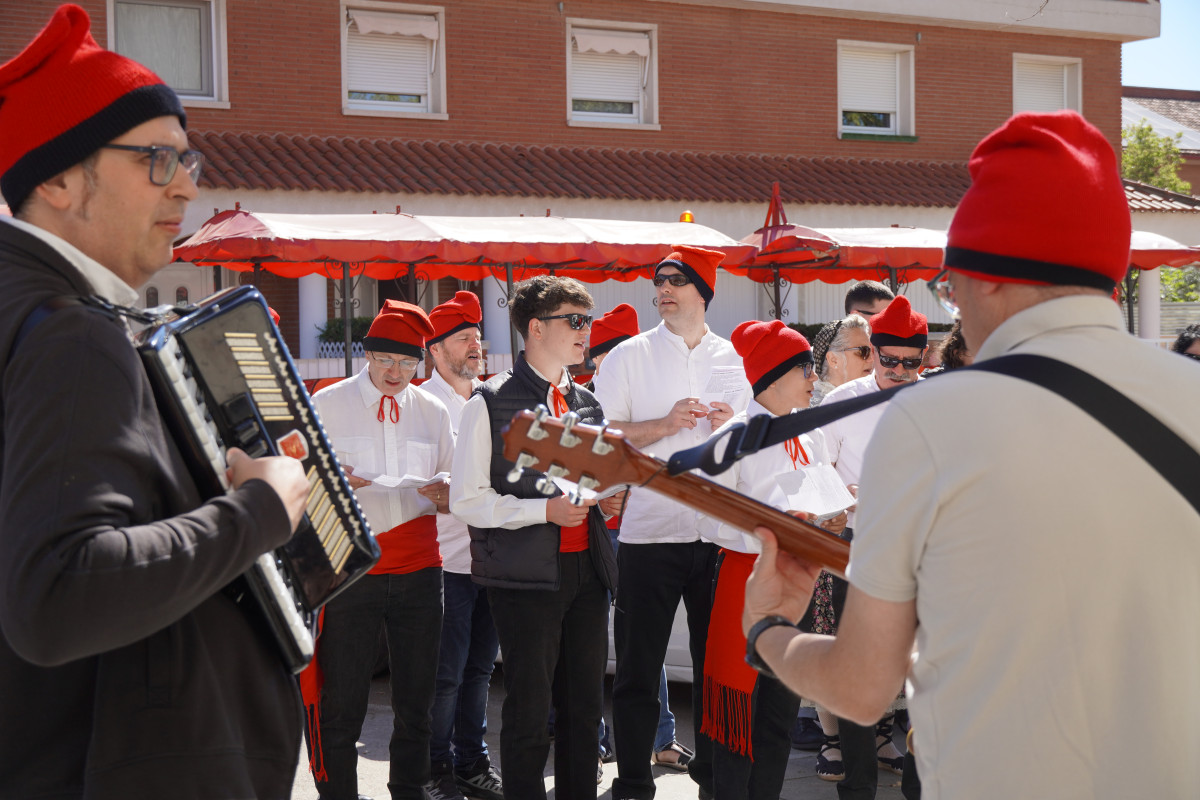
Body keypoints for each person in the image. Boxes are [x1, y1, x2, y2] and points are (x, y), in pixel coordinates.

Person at [740, 111, 1200, 800]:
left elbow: (861, 688)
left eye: (948, 290)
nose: (954, 310)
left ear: (987, 278)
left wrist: (767, 631)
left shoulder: (932, 419)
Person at [0, 5, 311, 797]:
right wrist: (259, 509)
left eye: (187, 159)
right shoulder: (73, 334)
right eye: (156, 161)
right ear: (58, 180)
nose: (186, 186)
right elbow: (58, 594)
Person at [450, 276, 621, 800]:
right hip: (524, 578)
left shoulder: (586, 401)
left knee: (584, 710)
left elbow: (591, 482)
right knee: (528, 710)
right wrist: (542, 510)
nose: (585, 331)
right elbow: (466, 500)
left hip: (588, 572)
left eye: (587, 320)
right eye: (575, 320)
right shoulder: (489, 401)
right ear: (536, 328)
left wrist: (606, 499)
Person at [592, 245, 749, 800]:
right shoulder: (627, 356)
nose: (663, 289)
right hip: (650, 534)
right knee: (638, 671)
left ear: (704, 293)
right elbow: (600, 437)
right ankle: (633, 784)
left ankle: (712, 779)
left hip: (719, 537)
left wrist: (735, 425)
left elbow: (757, 438)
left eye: (677, 280)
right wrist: (662, 424)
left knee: (714, 672)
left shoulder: (736, 358)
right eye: (659, 280)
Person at [306, 300, 455, 800]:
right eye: (386, 360)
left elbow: (457, 486)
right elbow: (298, 481)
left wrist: (448, 493)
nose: (396, 373)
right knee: (342, 702)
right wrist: (329, 482)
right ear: (367, 355)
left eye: (408, 362)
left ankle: (408, 790)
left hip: (421, 570)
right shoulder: (328, 403)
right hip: (349, 571)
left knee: (417, 703)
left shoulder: (432, 411)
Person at [697, 320, 847, 799]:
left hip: (797, 584)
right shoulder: (735, 437)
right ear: (775, 376)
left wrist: (832, 520)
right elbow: (709, 522)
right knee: (739, 718)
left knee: (778, 718)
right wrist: (773, 531)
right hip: (746, 582)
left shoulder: (810, 432)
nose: (814, 377)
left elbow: (823, 498)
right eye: (806, 368)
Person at [815, 295, 928, 799]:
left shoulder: (938, 401)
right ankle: (857, 787)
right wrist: (850, 495)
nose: (899, 370)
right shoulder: (842, 402)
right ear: (873, 352)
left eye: (910, 362)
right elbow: (815, 475)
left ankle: (921, 785)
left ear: (923, 358)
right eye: (889, 359)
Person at [588, 304, 686, 770]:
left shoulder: (654, 391)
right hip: (593, 533)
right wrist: (601, 495)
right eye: (610, 355)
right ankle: (592, 738)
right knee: (589, 641)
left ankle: (660, 736)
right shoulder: (583, 400)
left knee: (643, 646)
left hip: (637, 534)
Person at [420, 291, 503, 800]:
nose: (476, 346)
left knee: (480, 672)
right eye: (464, 338)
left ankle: (472, 761)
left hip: (491, 558)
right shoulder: (422, 405)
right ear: (435, 349)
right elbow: (420, 486)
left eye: (477, 336)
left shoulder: (491, 398)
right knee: (445, 676)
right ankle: (434, 769)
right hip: (445, 560)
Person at [809, 315, 874, 406]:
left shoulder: (870, 398)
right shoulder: (817, 409)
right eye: (863, 351)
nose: (871, 359)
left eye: (872, 351)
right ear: (833, 360)